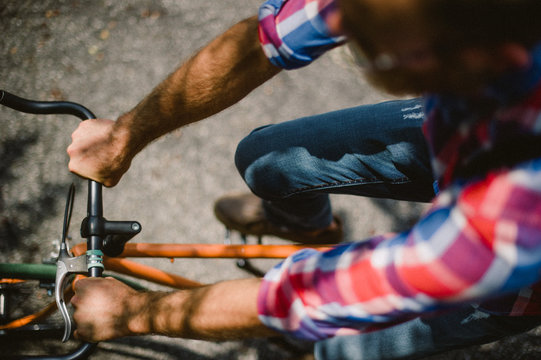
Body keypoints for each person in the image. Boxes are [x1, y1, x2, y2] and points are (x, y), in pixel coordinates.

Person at [68, 0, 541, 359]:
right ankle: (311, 228)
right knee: (265, 160)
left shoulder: (512, 214)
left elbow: (306, 299)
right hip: (465, 121)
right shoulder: (427, 19)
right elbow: (264, 41)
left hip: (509, 277)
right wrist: (122, 136)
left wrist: (131, 313)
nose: (362, 59)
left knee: (333, 349)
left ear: (486, 54)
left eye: (375, 54)